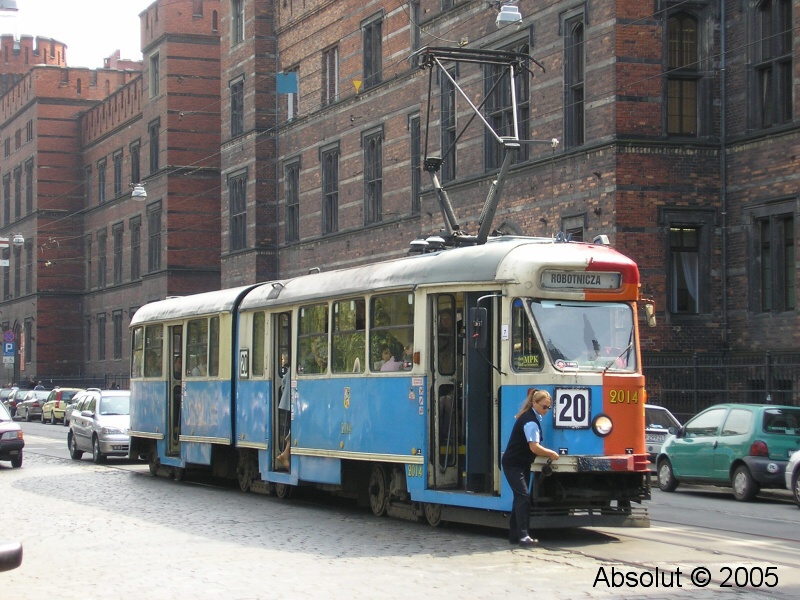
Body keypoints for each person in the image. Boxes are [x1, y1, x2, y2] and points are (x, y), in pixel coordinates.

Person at [501, 388, 560, 547]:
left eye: (548, 407)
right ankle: (523, 536)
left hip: (519, 464)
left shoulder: (530, 418)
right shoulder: (530, 422)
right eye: (544, 407)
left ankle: (515, 535)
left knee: (519, 498)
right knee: (523, 497)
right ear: (534, 403)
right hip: (514, 464)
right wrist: (551, 454)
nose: (546, 410)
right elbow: (534, 447)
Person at [276, 360, 292, 470]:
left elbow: (283, 383)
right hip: (292, 403)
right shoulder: (294, 369)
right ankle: (285, 454)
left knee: (292, 428)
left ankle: (285, 454)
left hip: (289, 403)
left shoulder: (290, 371)